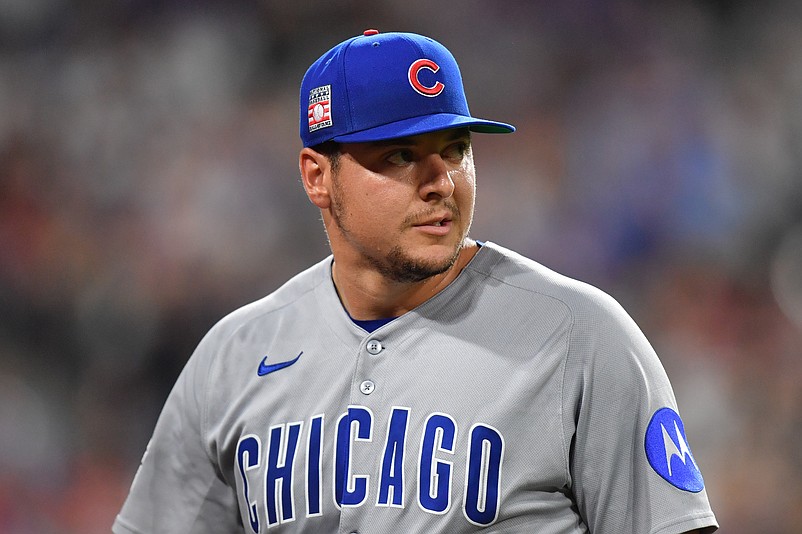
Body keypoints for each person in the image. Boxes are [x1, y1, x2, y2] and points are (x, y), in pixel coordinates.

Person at [113, 30, 718, 533]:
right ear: (317, 177)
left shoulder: (580, 337)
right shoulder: (234, 356)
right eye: (400, 156)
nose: (442, 182)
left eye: (454, 150)